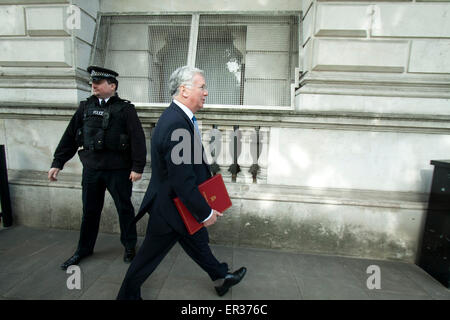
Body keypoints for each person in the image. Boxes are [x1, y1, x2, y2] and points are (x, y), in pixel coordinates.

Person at [116, 66, 246, 300]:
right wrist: (205, 213)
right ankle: (126, 297)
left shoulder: (177, 118)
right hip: (170, 209)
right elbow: (182, 180)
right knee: (147, 258)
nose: (206, 92)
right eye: (202, 87)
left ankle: (221, 278)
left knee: (198, 242)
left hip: (179, 206)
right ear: (184, 90)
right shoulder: (177, 125)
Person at [48, 66, 147, 270]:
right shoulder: (85, 108)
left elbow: (138, 139)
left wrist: (137, 167)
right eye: (93, 83)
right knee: (90, 211)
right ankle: (83, 249)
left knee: (124, 209)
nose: (94, 85)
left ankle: (129, 246)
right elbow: (70, 136)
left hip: (118, 170)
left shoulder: (126, 109)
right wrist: (58, 162)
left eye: (99, 83)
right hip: (92, 169)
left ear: (112, 86)